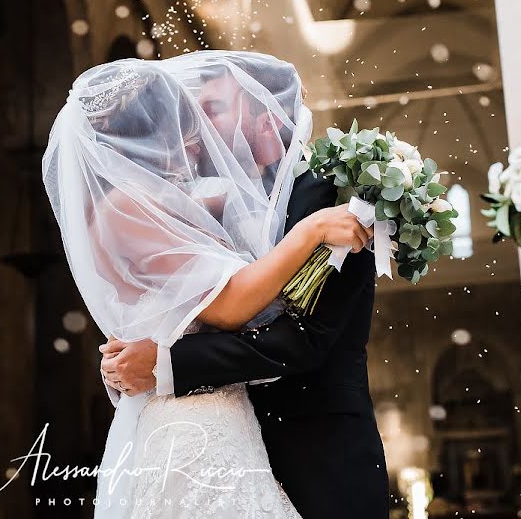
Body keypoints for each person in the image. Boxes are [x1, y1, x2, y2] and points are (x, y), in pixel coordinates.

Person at [42, 53, 374, 519]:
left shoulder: (332, 194)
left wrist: (162, 362)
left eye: (211, 110)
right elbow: (229, 303)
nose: (198, 131)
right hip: (201, 429)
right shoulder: (133, 208)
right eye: (189, 118)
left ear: (266, 111)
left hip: (313, 450)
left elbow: (304, 338)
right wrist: (308, 234)